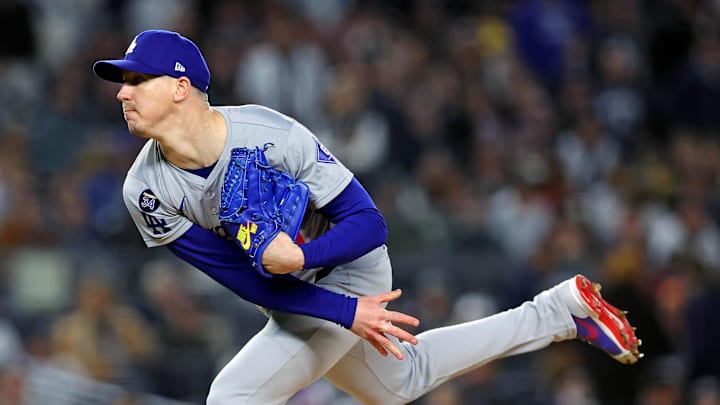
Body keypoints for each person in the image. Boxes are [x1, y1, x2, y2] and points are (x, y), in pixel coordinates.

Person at [92, 29, 642, 405]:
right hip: (294, 290)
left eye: (137, 80)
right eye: (122, 80)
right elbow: (244, 279)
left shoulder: (272, 135)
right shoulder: (144, 190)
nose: (122, 92)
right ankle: (559, 312)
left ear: (182, 87)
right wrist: (333, 307)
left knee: (233, 397)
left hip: (348, 268)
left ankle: (557, 313)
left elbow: (369, 224)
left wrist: (315, 269)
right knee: (403, 382)